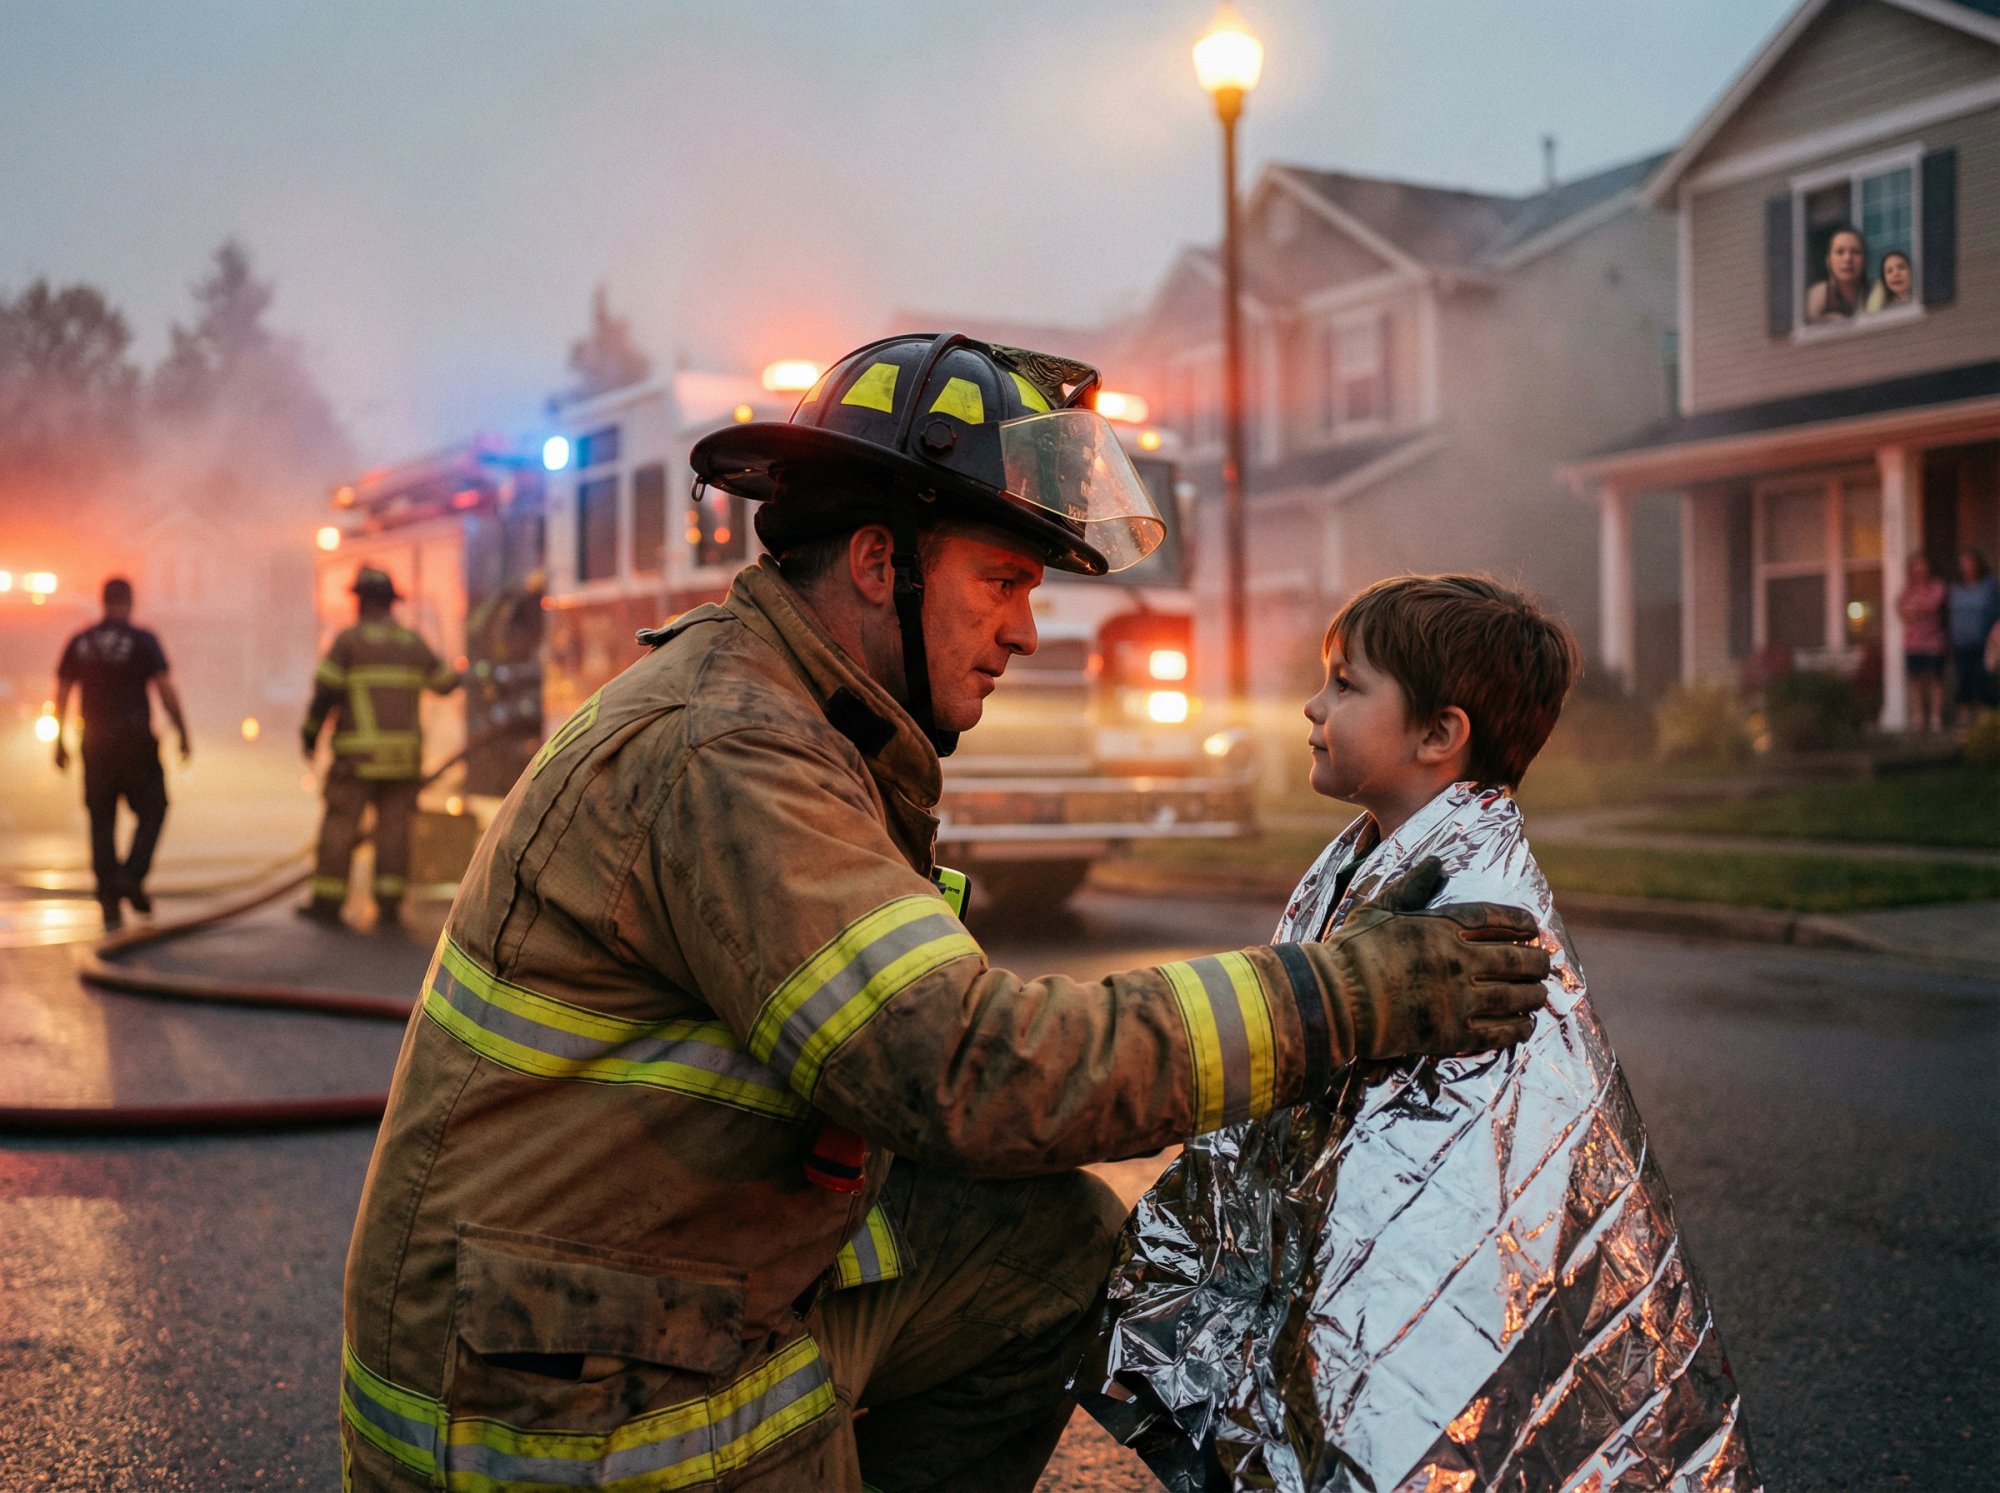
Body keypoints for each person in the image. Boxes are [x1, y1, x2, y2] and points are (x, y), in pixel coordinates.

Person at [337, 334, 1553, 1493]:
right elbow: (970, 1069)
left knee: (1054, 1249)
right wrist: (1348, 993)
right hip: (562, 1397)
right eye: (1002, 580)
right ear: (879, 562)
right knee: (1022, 1188)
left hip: (629, 1272)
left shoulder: (802, 717)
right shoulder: (734, 753)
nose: (1025, 629)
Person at [1082, 576, 1756, 1489]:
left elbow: (1436, 1209)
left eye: (1347, 686)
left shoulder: (1480, 918)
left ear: (1440, 735)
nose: (1314, 706)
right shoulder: (1362, 861)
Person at [298, 565, 459, 930]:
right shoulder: (412, 642)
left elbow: (325, 695)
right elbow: (446, 683)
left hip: (356, 761)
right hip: (402, 763)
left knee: (340, 826)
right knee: (393, 832)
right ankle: (389, 905)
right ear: (390, 602)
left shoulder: (349, 642)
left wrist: (309, 736)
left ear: (362, 601)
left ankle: (328, 902)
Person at [51, 576, 190, 932]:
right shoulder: (143, 641)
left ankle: (109, 904)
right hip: (135, 742)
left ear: (103, 602)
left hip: (95, 744)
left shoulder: (81, 642)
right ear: (130, 602)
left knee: (101, 821)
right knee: (154, 808)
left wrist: (60, 741)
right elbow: (164, 689)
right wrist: (183, 731)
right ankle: (131, 875)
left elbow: (64, 691)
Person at [1897, 551, 1949, 731]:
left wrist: (1915, 608)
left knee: (1935, 679)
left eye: (1922, 567)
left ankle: (1936, 717)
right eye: (1915, 568)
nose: (1919, 571)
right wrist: (1913, 609)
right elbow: (1901, 609)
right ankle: (1918, 717)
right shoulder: (1907, 590)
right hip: (1913, 643)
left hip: (1934, 642)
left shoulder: (1937, 586)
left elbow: (1932, 605)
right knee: (1915, 680)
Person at [1947, 547, 2000, 724]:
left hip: (1984, 643)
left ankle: (1985, 724)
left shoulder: (1989, 585)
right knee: (1964, 683)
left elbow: (1996, 611)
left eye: (1969, 562)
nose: (1966, 567)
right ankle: (1965, 725)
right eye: (1963, 563)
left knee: (1984, 683)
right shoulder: (1956, 587)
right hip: (1961, 643)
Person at [1804, 223, 1867, 323]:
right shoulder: (1820, 295)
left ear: (1865, 260)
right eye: (1840, 252)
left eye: (1855, 252)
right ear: (1828, 260)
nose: (1848, 259)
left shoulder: (1874, 292)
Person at [1866, 247, 1914, 312]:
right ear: (1884, 281)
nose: (1896, 273)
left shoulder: (1924, 302)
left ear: (1911, 271)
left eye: (1901, 267)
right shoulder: (1886, 311)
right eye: (1889, 271)